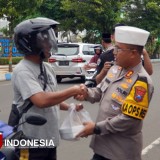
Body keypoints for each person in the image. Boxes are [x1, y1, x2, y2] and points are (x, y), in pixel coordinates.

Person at [8, 17, 84, 160]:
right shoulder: (23, 70)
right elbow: (41, 100)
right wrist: (72, 90)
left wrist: (70, 107)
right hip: (30, 140)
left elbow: (52, 97)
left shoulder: (47, 67)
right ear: (31, 44)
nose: (49, 44)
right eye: (44, 41)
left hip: (48, 139)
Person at [75, 26, 154, 160]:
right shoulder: (115, 69)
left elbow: (130, 119)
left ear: (133, 53)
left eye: (118, 49)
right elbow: (99, 91)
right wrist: (86, 93)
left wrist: (96, 128)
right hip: (102, 146)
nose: (114, 52)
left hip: (121, 152)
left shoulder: (141, 81)